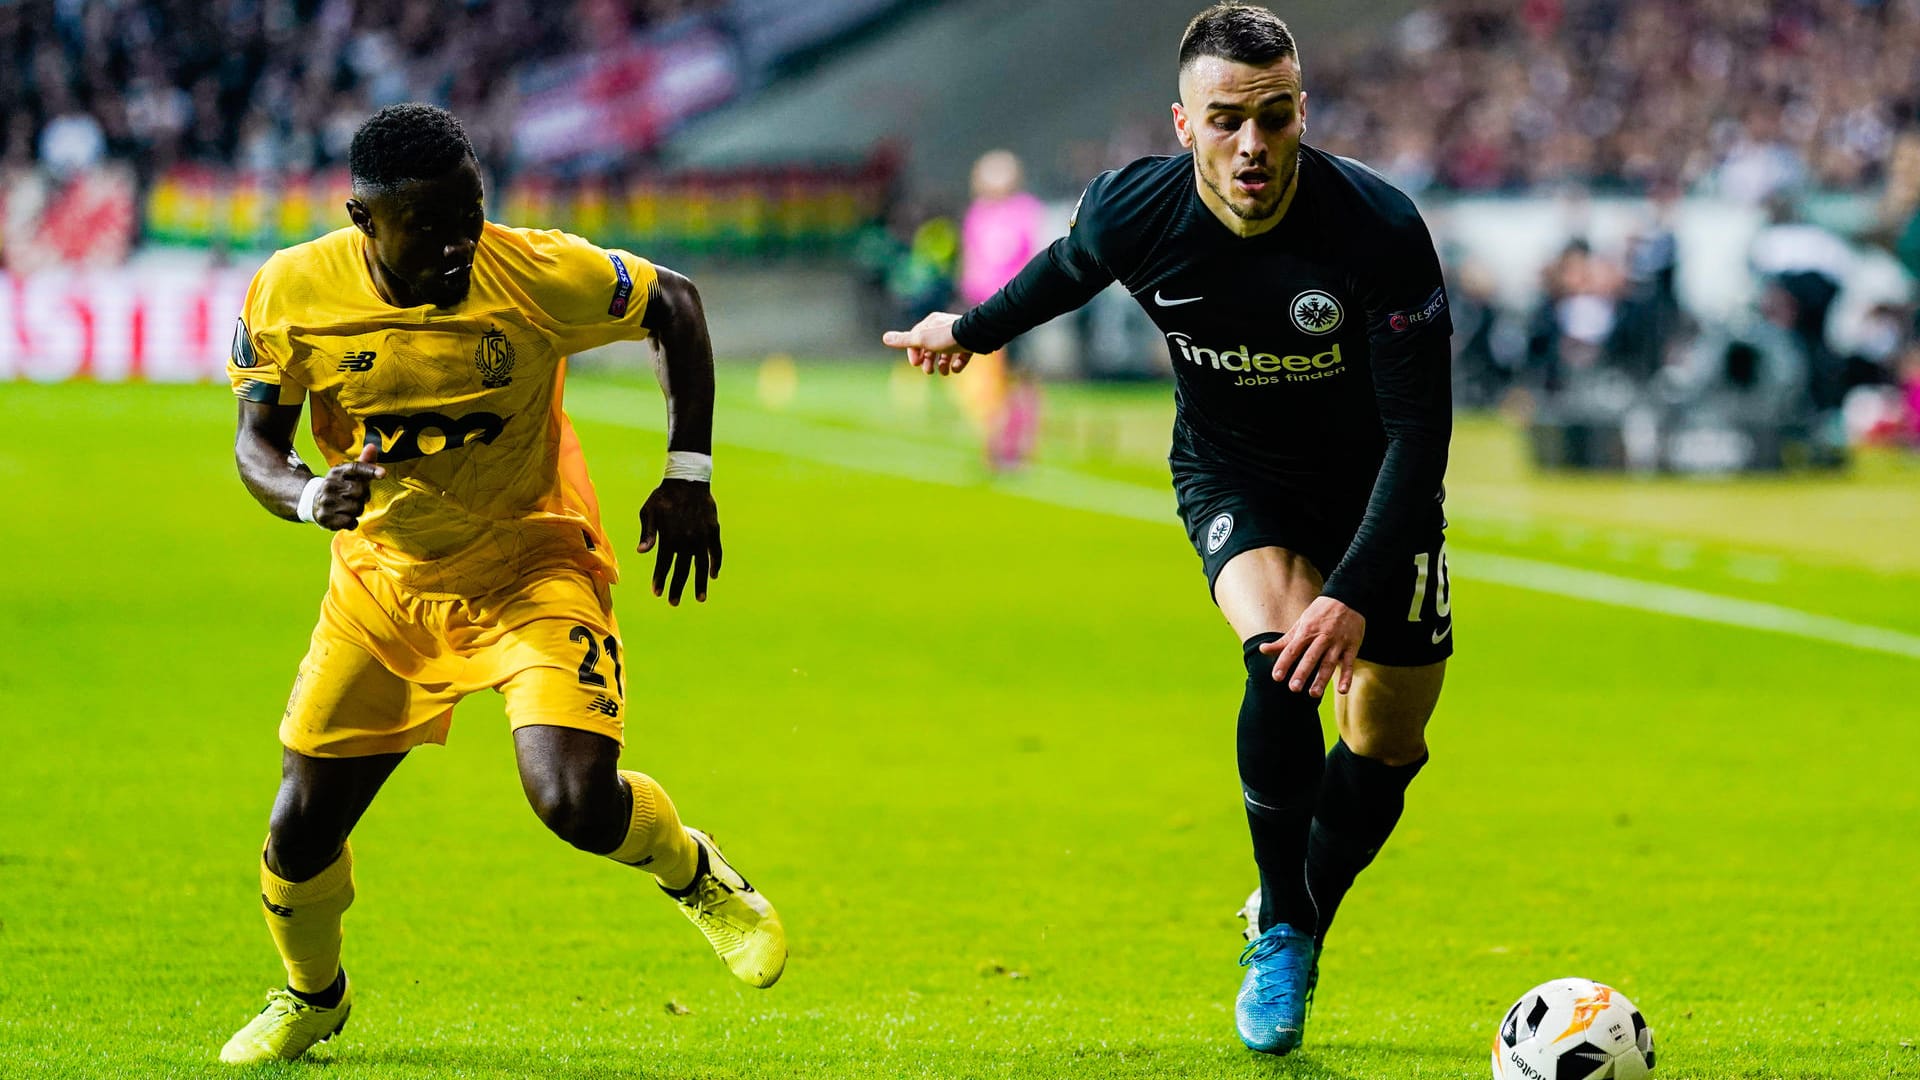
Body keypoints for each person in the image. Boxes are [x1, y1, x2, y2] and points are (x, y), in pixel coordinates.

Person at [883, 3, 1452, 1056]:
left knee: (1386, 740)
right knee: (1279, 656)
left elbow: (1422, 441)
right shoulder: (1134, 210)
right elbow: (1062, 271)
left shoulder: (1377, 229)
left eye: (1276, 118)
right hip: (1237, 472)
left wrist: (1357, 590)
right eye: (1228, 119)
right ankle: (1284, 927)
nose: (1254, 145)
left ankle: (1304, 904)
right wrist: (963, 331)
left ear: (1301, 113)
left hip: (1379, 488)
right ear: (1183, 125)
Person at [218, 103, 785, 1065]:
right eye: (429, 225)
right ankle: (313, 996)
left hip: (533, 563)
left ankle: (695, 873)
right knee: (297, 834)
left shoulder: (533, 270)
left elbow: (674, 303)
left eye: (469, 213)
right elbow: (254, 447)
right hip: (382, 586)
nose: (457, 241)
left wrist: (689, 474)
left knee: (573, 800)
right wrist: (310, 496)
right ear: (365, 220)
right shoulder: (291, 292)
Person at [957, 150, 1049, 469]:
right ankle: (994, 443)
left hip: (1018, 308)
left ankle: (1021, 445)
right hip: (984, 309)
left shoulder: (1025, 211)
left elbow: (1036, 259)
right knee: (989, 382)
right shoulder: (977, 213)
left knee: (1020, 378)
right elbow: (972, 262)